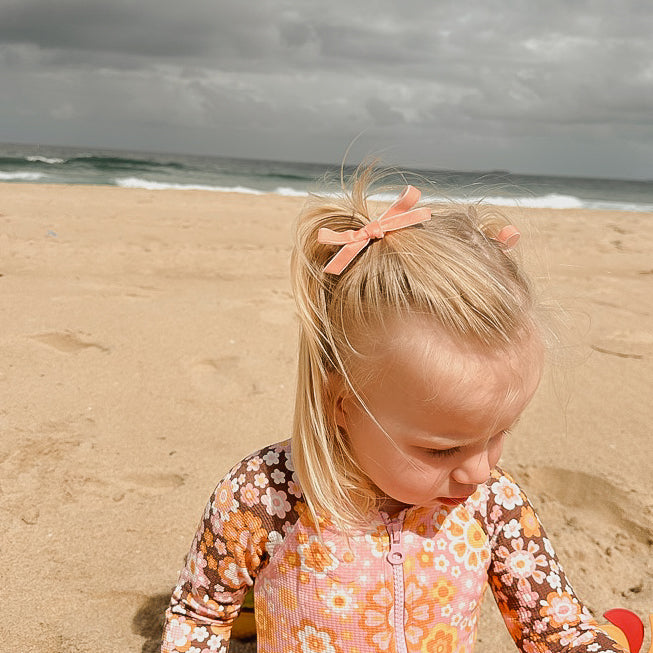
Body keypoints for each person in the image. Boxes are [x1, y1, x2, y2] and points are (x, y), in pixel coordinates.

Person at [161, 166, 625, 653]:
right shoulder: (263, 493)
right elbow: (200, 614)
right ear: (341, 404)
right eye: (442, 450)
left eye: (497, 434)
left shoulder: (494, 506)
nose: (479, 471)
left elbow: (557, 631)